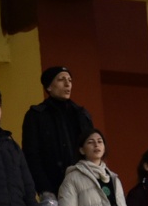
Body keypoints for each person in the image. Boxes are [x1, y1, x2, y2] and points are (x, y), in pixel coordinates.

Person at [20, 65, 93, 197]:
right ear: (49, 87)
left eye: (70, 80)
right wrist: (44, 190)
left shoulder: (81, 114)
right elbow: (31, 156)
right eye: (61, 79)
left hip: (85, 186)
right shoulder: (36, 115)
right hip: (53, 187)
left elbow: (93, 149)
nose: (67, 84)